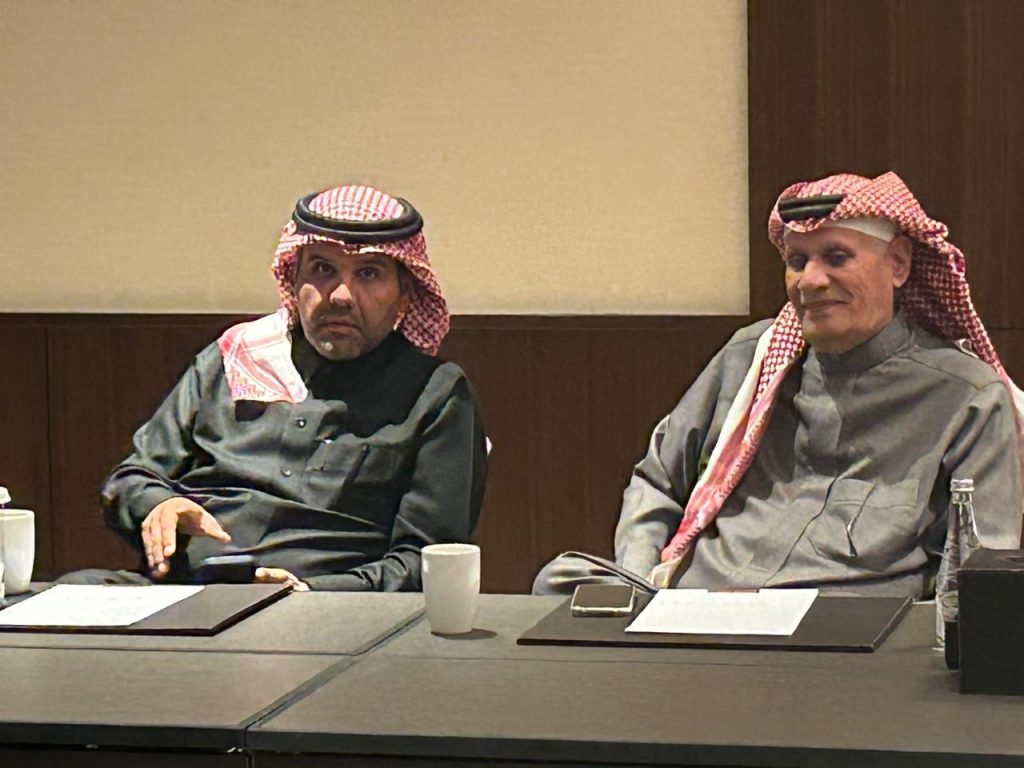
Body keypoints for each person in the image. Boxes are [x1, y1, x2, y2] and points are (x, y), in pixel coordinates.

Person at [535, 171, 1023, 598]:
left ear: (898, 263)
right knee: (558, 582)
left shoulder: (966, 397)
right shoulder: (751, 358)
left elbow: (978, 571)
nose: (810, 281)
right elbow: (658, 481)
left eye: (836, 257)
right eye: (797, 260)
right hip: (700, 608)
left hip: (845, 634)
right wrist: (639, 586)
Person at [88, 184, 487, 591]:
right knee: (66, 598)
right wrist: (159, 504)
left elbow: (424, 561)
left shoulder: (434, 393)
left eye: (369, 274)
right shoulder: (234, 357)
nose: (341, 296)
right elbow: (132, 476)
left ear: (404, 295)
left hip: (322, 610)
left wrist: (309, 594)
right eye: (323, 270)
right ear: (294, 279)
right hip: (182, 592)